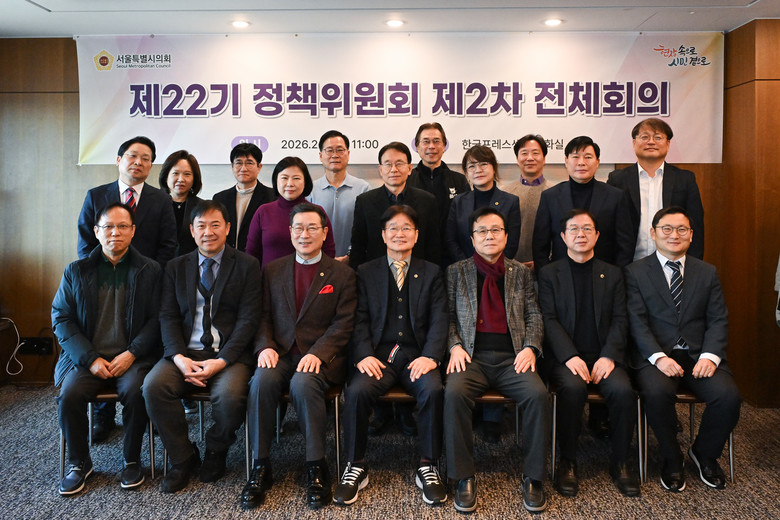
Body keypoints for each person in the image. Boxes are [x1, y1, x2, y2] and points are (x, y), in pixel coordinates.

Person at [242, 203, 356, 510]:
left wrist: (319, 352)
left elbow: (344, 323)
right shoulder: (272, 270)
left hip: (321, 358)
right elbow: (262, 315)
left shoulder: (342, 274)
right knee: (260, 382)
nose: (304, 234)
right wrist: (265, 346)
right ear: (290, 232)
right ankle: (260, 466)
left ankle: (316, 466)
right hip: (279, 353)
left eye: (312, 228)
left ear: (325, 233)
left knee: (303, 385)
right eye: (298, 228)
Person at [144, 200, 261, 493]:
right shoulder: (175, 267)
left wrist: (221, 361)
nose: (208, 232)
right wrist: (178, 357)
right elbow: (168, 316)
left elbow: (248, 320)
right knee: (153, 387)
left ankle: (216, 448)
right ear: (192, 230)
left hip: (229, 356)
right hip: (185, 352)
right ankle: (182, 457)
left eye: (215, 225)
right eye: (201, 226)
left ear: (228, 228)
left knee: (231, 396)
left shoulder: (247, 265)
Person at [334, 205, 448, 507]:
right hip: (378, 356)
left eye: (406, 228)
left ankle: (429, 464)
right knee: (356, 391)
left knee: (433, 390)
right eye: (393, 228)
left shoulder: (432, 272)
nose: (400, 233)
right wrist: (362, 354)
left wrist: (431, 356)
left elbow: (440, 319)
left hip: (417, 356)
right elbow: (357, 318)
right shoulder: (365, 272)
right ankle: (355, 464)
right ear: (383, 235)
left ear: (416, 235)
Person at [625, 206, 741, 492]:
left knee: (728, 397)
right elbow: (636, 322)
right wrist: (658, 357)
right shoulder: (635, 272)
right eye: (666, 229)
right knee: (656, 393)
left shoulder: (707, 272)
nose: (674, 235)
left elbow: (718, 319)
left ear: (691, 234)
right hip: (656, 357)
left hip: (698, 355)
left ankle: (704, 453)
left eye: (681, 229)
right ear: (653, 234)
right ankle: (671, 458)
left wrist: (710, 356)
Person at [444, 207, 550, 514]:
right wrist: (454, 346)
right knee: (453, 394)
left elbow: (534, 314)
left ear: (505, 236)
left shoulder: (521, 273)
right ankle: (463, 476)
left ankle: (534, 477)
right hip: (471, 356)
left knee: (537, 395)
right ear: (472, 238)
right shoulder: (456, 271)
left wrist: (530, 347)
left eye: (496, 230)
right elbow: (446, 316)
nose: (489, 236)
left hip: (512, 358)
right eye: (482, 231)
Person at [53, 202, 161, 495]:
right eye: (108, 227)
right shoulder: (76, 271)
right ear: (96, 231)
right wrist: (90, 359)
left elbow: (157, 319)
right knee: (70, 395)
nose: (115, 232)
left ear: (133, 231)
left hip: (133, 357)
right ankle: (79, 463)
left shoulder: (150, 270)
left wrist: (132, 353)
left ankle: (132, 460)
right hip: (87, 359)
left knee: (137, 391)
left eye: (123, 226)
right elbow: (61, 318)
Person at [76, 135, 176, 442]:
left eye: (146, 158)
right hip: (104, 285)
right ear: (119, 160)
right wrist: (99, 272)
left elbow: (168, 244)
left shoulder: (161, 199)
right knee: (103, 339)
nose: (139, 162)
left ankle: (145, 412)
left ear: (151, 165)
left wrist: (149, 276)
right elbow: (85, 241)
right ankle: (103, 416)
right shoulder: (96, 195)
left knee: (140, 345)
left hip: (146, 286)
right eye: (133, 156)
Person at [538, 209, 639, 498]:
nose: (580, 234)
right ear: (562, 236)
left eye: (586, 229)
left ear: (596, 235)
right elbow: (548, 320)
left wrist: (609, 355)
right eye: (573, 229)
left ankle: (620, 462)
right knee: (572, 389)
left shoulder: (614, 273)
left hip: (604, 355)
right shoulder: (549, 273)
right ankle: (567, 461)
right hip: (566, 357)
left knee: (622, 391)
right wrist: (570, 356)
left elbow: (621, 319)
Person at [608, 118, 705, 260]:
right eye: (644, 137)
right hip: (629, 263)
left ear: (668, 144)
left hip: (673, 263)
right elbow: (610, 226)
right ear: (634, 143)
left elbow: (695, 226)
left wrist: (692, 265)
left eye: (658, 137)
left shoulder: (684, 179)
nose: (651, 142)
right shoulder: (618, 179)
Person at [533, 135, 633, 271]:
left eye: (588, 157)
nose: (581, 162)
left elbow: (625, 244)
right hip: (560, 275)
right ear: (566, 161)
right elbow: (540, 244)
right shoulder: (550, 196)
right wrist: (546, 276)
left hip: (604, 275)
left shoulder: (615, 196)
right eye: (575, 157)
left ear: (597, 162)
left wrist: (616, 276)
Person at [350, 142, 440, 268]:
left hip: (418, 273)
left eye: (399, 164)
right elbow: (358, 246)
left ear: (409, 169)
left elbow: (433, 246)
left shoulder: (427, 201)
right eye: (388, 164)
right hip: (376, 273)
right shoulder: (365, 201)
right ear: (381, 169)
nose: (393, 169)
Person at [245, 156, 336, 269]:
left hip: (311, 278)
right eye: (284, 178)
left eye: (296, 178)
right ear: (276, 180)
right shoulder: (263, 212)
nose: (290, 183)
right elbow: (251, 253)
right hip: (270, 278)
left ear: (305, 181)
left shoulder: (316, 212)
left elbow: (329, 251)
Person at [446, 145, 521, 264]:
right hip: (464, 269)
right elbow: (451, 240)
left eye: (483, 164)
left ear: (494, 168)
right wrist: (467, 266)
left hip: (499, 268)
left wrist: (493, 264)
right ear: (466, 172)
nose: (478, 170)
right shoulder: (458, 201)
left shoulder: (510, 201)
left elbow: (512, 242)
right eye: (472, 166)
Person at [307, 130, 370, 262]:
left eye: (340, 150)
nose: (335, 155)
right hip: (318, 262)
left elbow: (367, 229)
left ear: (348, 154)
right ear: (320, 156)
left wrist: (349, 256)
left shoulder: (363, 188)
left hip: (355, 261)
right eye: (329, 150)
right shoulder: (310, 190)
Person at [407, 122, 470, 237]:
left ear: (444, 146)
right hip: (416, 244)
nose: (431, 146)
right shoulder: (407, 180)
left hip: (450, 246)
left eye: (436, 141)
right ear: (417, 147)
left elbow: (466, 218)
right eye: (426, 141)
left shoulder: (459, 180)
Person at [212, 142, 276, 251]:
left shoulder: (272, 197)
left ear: (259, 167)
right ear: (232, 166)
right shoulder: (220, 198)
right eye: (238, 163)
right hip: (227, 257)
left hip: (258, 257)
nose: (243, 168)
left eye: (249, 163)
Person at [502, 134, 552, 271]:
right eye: (524, 153)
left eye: (535, 153)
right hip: (509, 268)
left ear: (544, 159)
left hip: (547, 268)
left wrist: (543, 261)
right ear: (517, 159)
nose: (530, 158)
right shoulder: (504, 193)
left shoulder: (556, 193)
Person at [158, 150, 204, 257]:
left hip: (191, 264)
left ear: (194, 178)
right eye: (175, 173)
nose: (181, 179)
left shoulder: (202, 208)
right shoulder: (155, 204)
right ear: (166, 176)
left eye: (187, 174)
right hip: (158, 264)